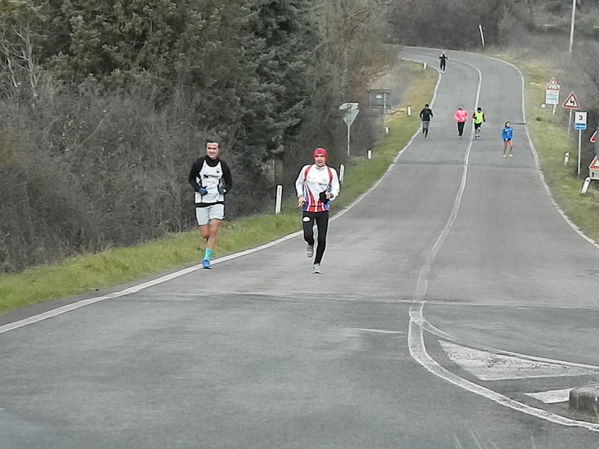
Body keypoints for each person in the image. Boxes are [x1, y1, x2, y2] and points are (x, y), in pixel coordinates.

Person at [188, 138, 233, 269]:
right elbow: (190, 179)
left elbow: (229, 183)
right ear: (206, 149)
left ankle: (207, 259)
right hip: (202, 201)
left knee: (214, 228)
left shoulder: (223, 165)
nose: (212, 151)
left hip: (217, 201)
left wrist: (223, 190)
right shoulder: (199, 163)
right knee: (205, 234)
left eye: (214, 148)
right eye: (209, 148)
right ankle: (209, 242)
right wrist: (198, 189)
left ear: (218, 150)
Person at [295, 148, 340, 274]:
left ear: (326, 158)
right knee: (308, 234)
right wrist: (300, 196)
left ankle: (317, 263)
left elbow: (336, 188)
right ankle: (310, 243)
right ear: (314, 158)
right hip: (308, 208)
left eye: (322, 156)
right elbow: (298, 183)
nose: (319, 159)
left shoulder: (331, 172)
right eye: (317, 156)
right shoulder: (307, 170)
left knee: (322, 239)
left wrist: (330, 195)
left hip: (322, 209)